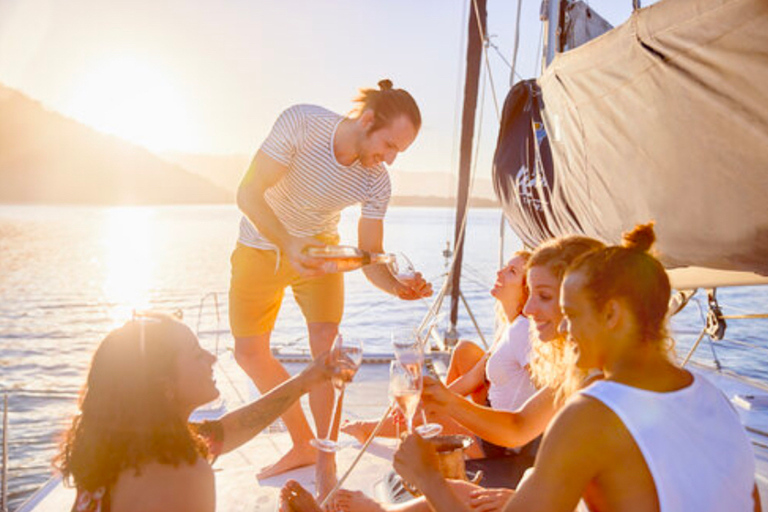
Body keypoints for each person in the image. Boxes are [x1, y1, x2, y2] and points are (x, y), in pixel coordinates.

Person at [393, 223, 761, 512]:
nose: (565, 328)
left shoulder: (592, 412)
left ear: (612, 314)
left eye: (570, 313)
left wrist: (428, 478)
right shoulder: (713, 397)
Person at [277, 235, 606, 512]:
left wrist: (429, 479)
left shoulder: (603, 393)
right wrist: (449, 402)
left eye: (544, 297)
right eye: (531, 294)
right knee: (464, 492)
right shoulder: (580, 373)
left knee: (451, 489)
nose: (529, 308)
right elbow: (520, 426)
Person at [229, 79, 433, 494]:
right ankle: (302, 440)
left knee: (327, 346)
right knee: (249, 353)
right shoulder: (302, 123)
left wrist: (397, 287)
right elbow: (247, 192)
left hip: (321, 257)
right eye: (389, 145)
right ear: (368, 119)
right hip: (259, 247)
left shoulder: (376, 182)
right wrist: (287, 242)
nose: (389, 160)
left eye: (398, 152)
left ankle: (325, 457)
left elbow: (369, 257)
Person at [54, 313, 341, 512]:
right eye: (195, 353)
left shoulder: (118, 450)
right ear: (165, 387)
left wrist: (305, 381)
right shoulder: (182, 475)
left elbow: (226, 430)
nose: (212, 357)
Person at [341, 251, 537, 460]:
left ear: (527, 291)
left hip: (500, 442)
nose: (499, 272)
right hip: (493, 417)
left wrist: (432, 406)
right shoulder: (510, 325)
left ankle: (367, 428)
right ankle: (432, 419)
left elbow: (548, 387)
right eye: (505, 267)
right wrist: (431, 399)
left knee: (431, 415)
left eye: (512, 272)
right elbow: (472, 379)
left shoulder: (523, 332)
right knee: (464, 350)